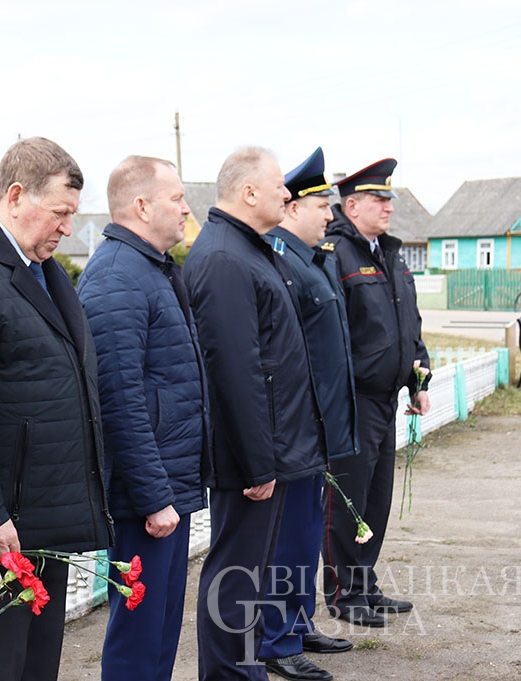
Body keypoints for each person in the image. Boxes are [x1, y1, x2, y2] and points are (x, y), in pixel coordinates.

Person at [0, 137, 113, 681]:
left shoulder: (44, 267)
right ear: (16, 197)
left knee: (36, 666)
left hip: (42, 516)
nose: (67, 228)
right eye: (60, 213)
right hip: (3, 525)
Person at [184, 146, 327, 681]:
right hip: (252, 459)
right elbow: (234, 372)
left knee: (254, 574)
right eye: (277, 187)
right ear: (249, 192)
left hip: (273, 448)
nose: (287, 195)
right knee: (237, 577)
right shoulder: (224, 257)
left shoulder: (247, 249)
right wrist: (257, 462)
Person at [77, 156, 210, 681]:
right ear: (140, 205)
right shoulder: (116, 278)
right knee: (137, 636)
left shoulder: (149, 268)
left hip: (165, 486)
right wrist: (155, 497)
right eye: (176, 197)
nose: (184, 208)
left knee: (159, 629)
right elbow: (118, 400)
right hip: (143, 499)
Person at [258, 148, 358, 681]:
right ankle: (275, 639)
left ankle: (297, 625)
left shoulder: (310, 259)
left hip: (318, 428)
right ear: (293, 207)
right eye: (321, 204)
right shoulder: (281, 261)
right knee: (288, 537)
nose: (329, 215)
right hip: (295, 429)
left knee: (306, 532)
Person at [320, 157, 432, 627]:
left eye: (389, 199)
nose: (389, 207)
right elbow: (333, 334)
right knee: (348, 502)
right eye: (379, 199)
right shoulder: (336, 254)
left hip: (387, 399)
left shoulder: (388, 251)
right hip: (355, 401)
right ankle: (344, 595)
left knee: (376, 500)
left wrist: (419, 375)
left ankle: (365, 584)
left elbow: (409, 323)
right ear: (352, 205)